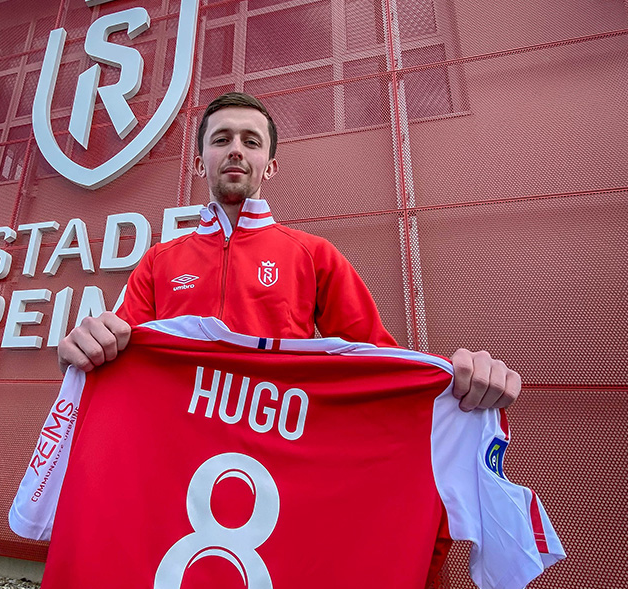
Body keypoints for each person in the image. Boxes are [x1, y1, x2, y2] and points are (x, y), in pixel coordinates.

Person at [57, 92, 521, 411]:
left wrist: (454, 382)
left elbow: (377, 363)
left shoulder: (314, 254)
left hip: (275, 455)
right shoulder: (159, 260)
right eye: (221, 139)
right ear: (199, 162)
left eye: (250, 141)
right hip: (170, 449)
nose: (235, 150)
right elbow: (117, 353)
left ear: (270, 166)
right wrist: (82, 350)